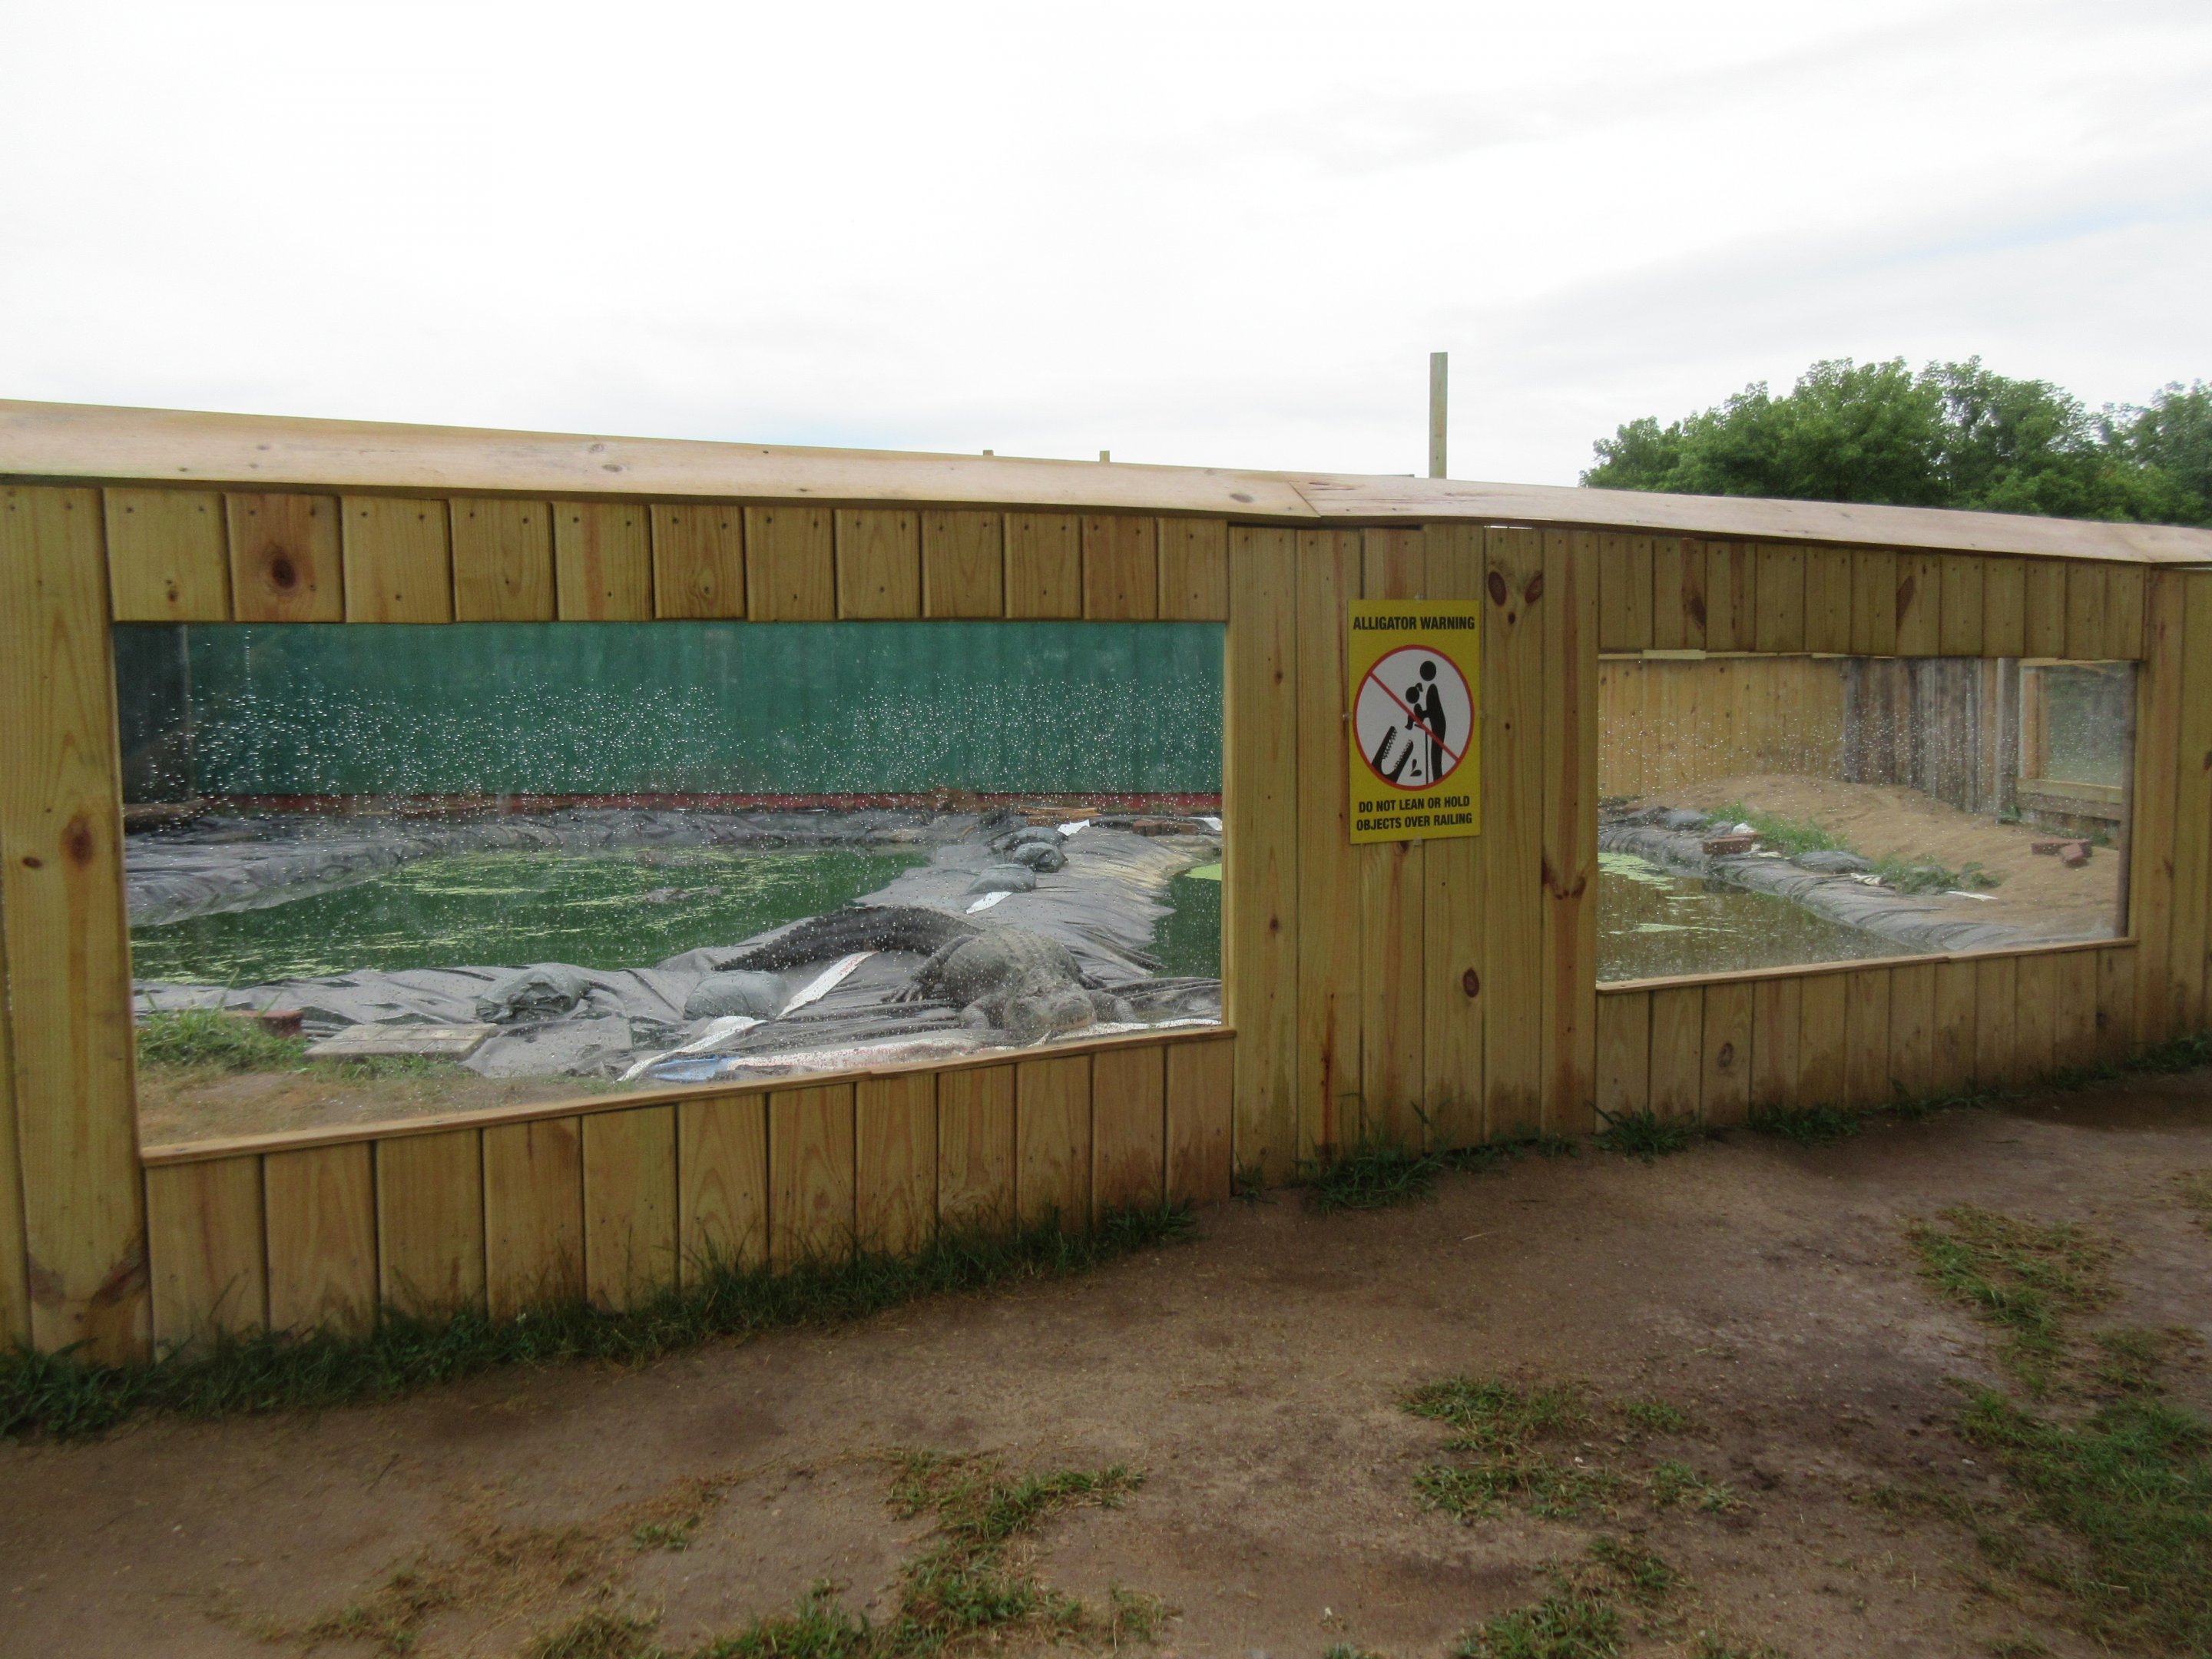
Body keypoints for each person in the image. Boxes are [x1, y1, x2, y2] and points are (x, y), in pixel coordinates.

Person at [1404, 659, 1448, 786]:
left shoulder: (1432, 689)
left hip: (1439, 727)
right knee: (1434, 757)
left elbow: (1432, 712)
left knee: (1436, 756)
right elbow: (1427, 714)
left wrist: (1419, 714)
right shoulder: (1429, 690)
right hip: (1436, 725)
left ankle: (1438, 781)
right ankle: (1437, 781)